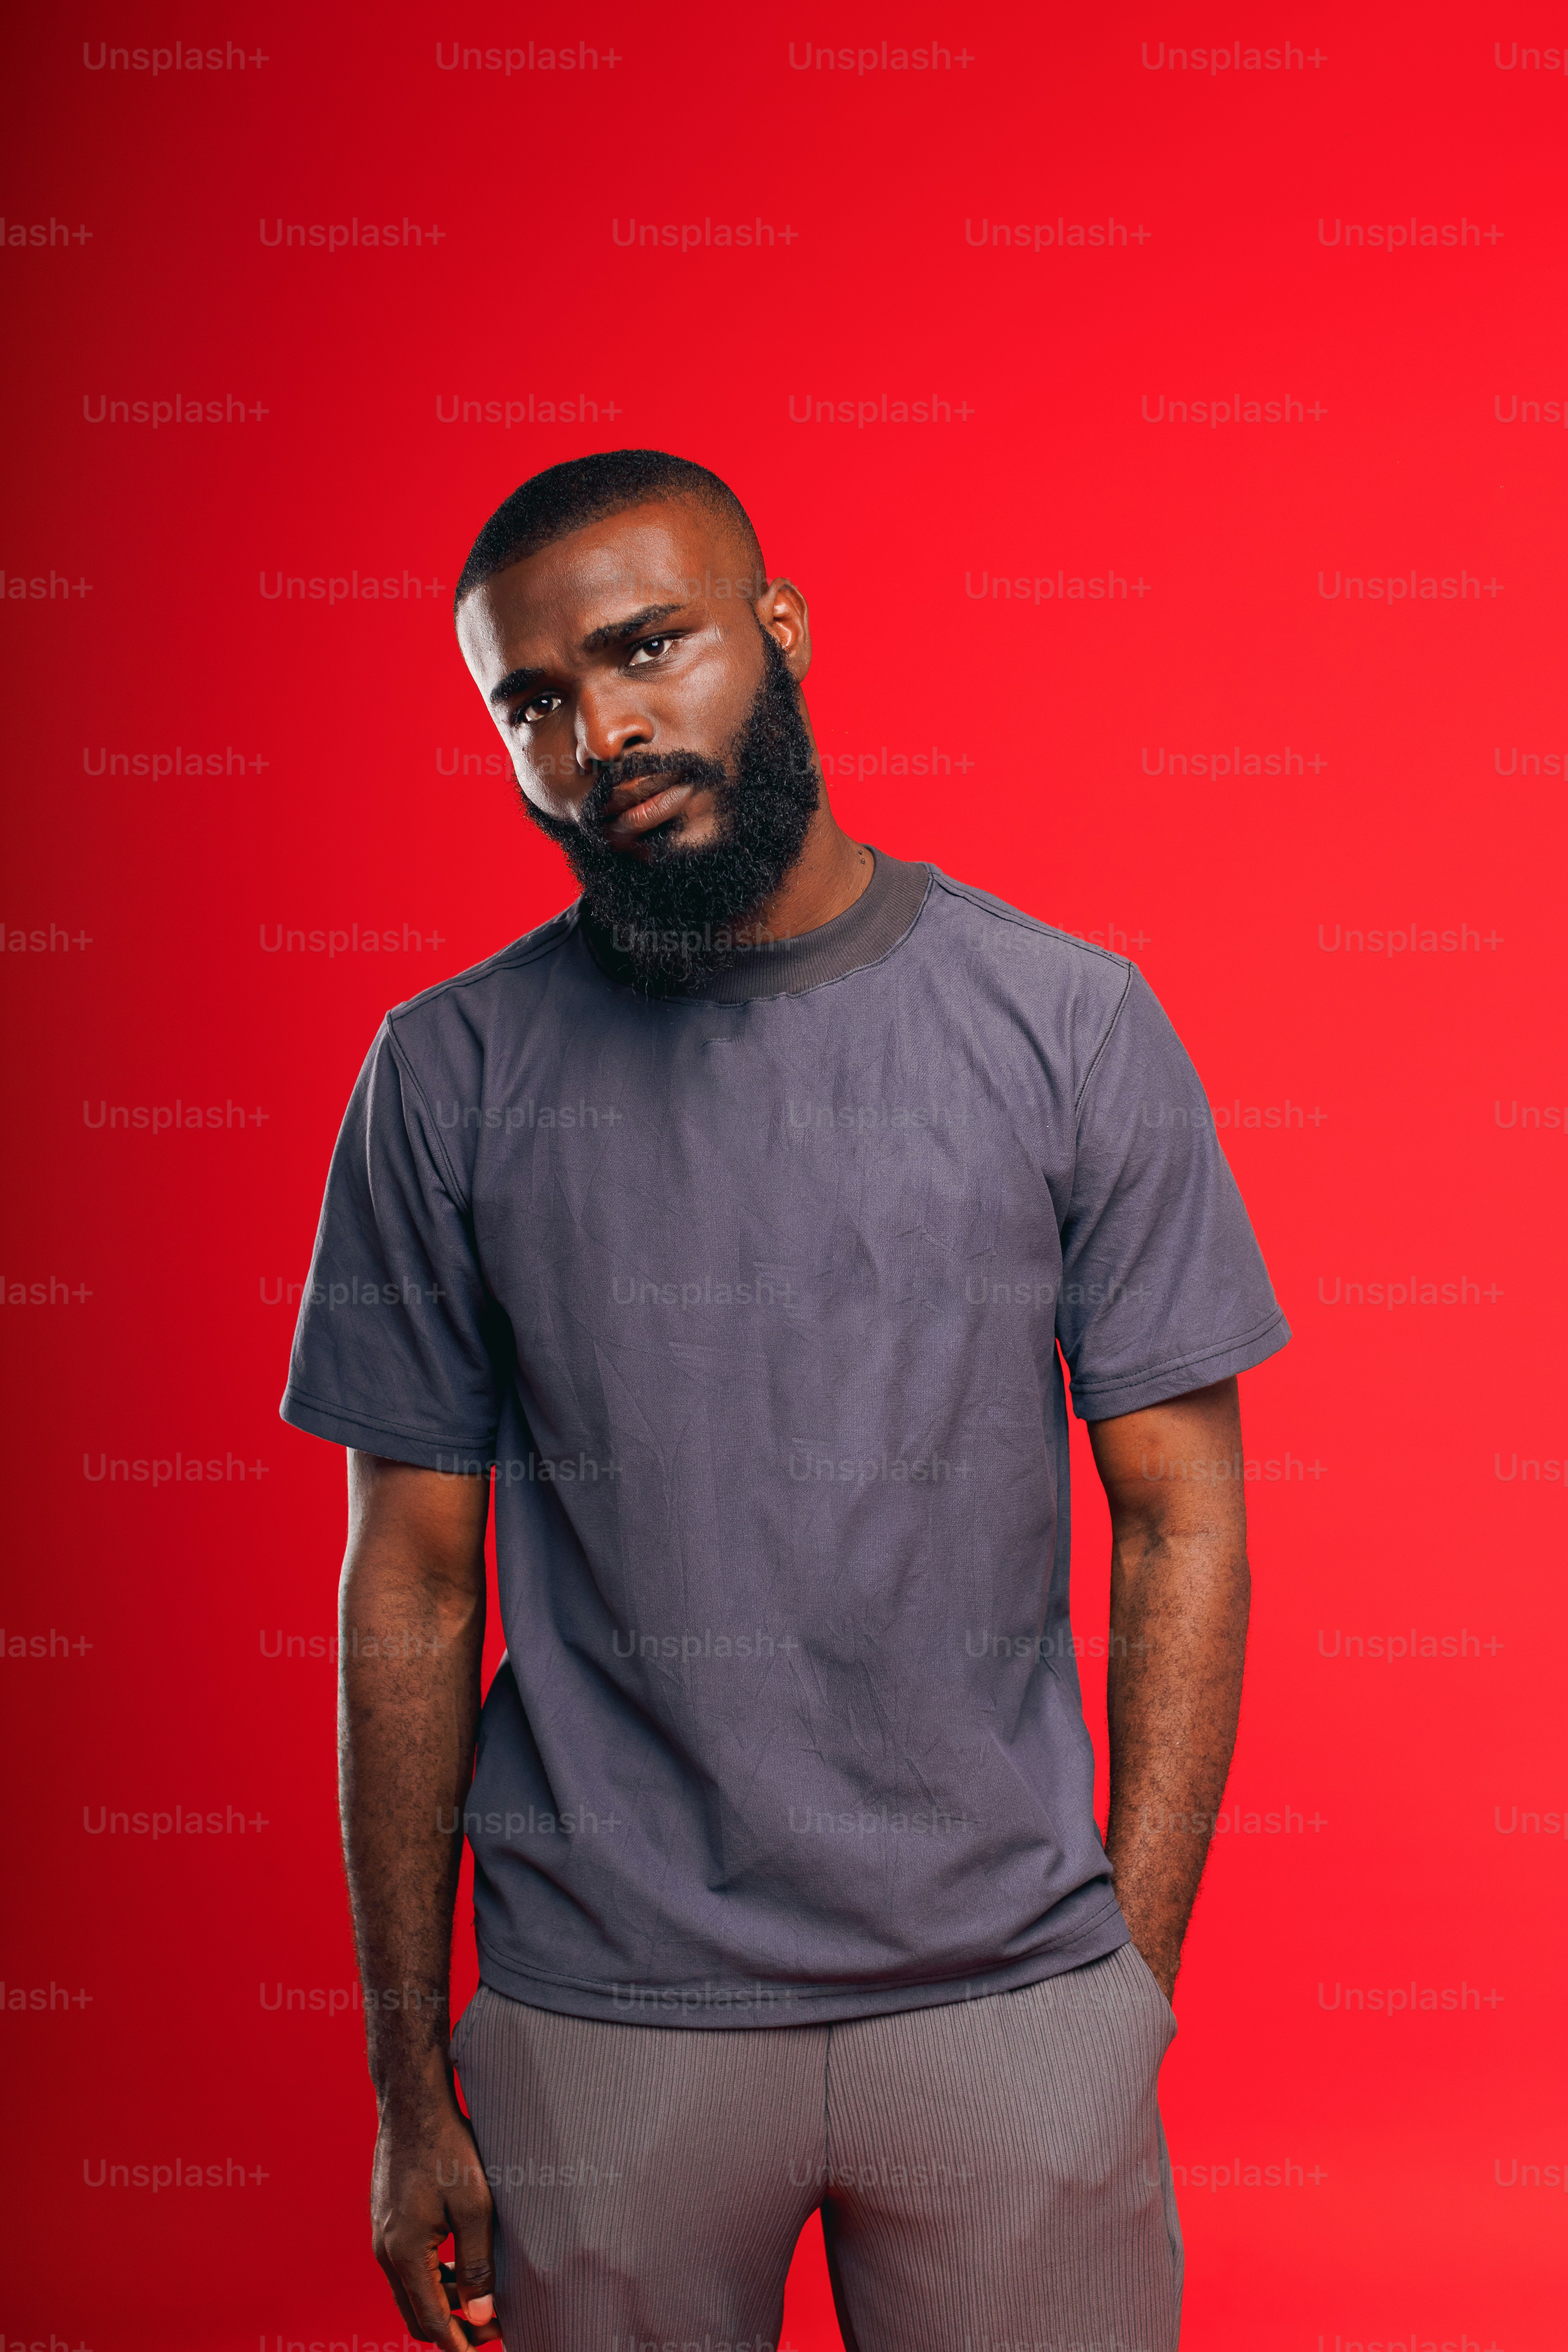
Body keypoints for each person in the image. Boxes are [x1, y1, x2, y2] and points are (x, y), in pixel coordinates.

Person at [282, 449, 1289, 2352]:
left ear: (781, 628)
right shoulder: (445, 1076)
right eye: (533, 702)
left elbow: (1183, 1515)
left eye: (646, 648)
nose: (602, 732)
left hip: (1010, 2002)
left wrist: (1122, 1992)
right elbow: (410, 1582)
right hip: (603, 2022)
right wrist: (411, 2089)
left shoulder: (1067, 1025)